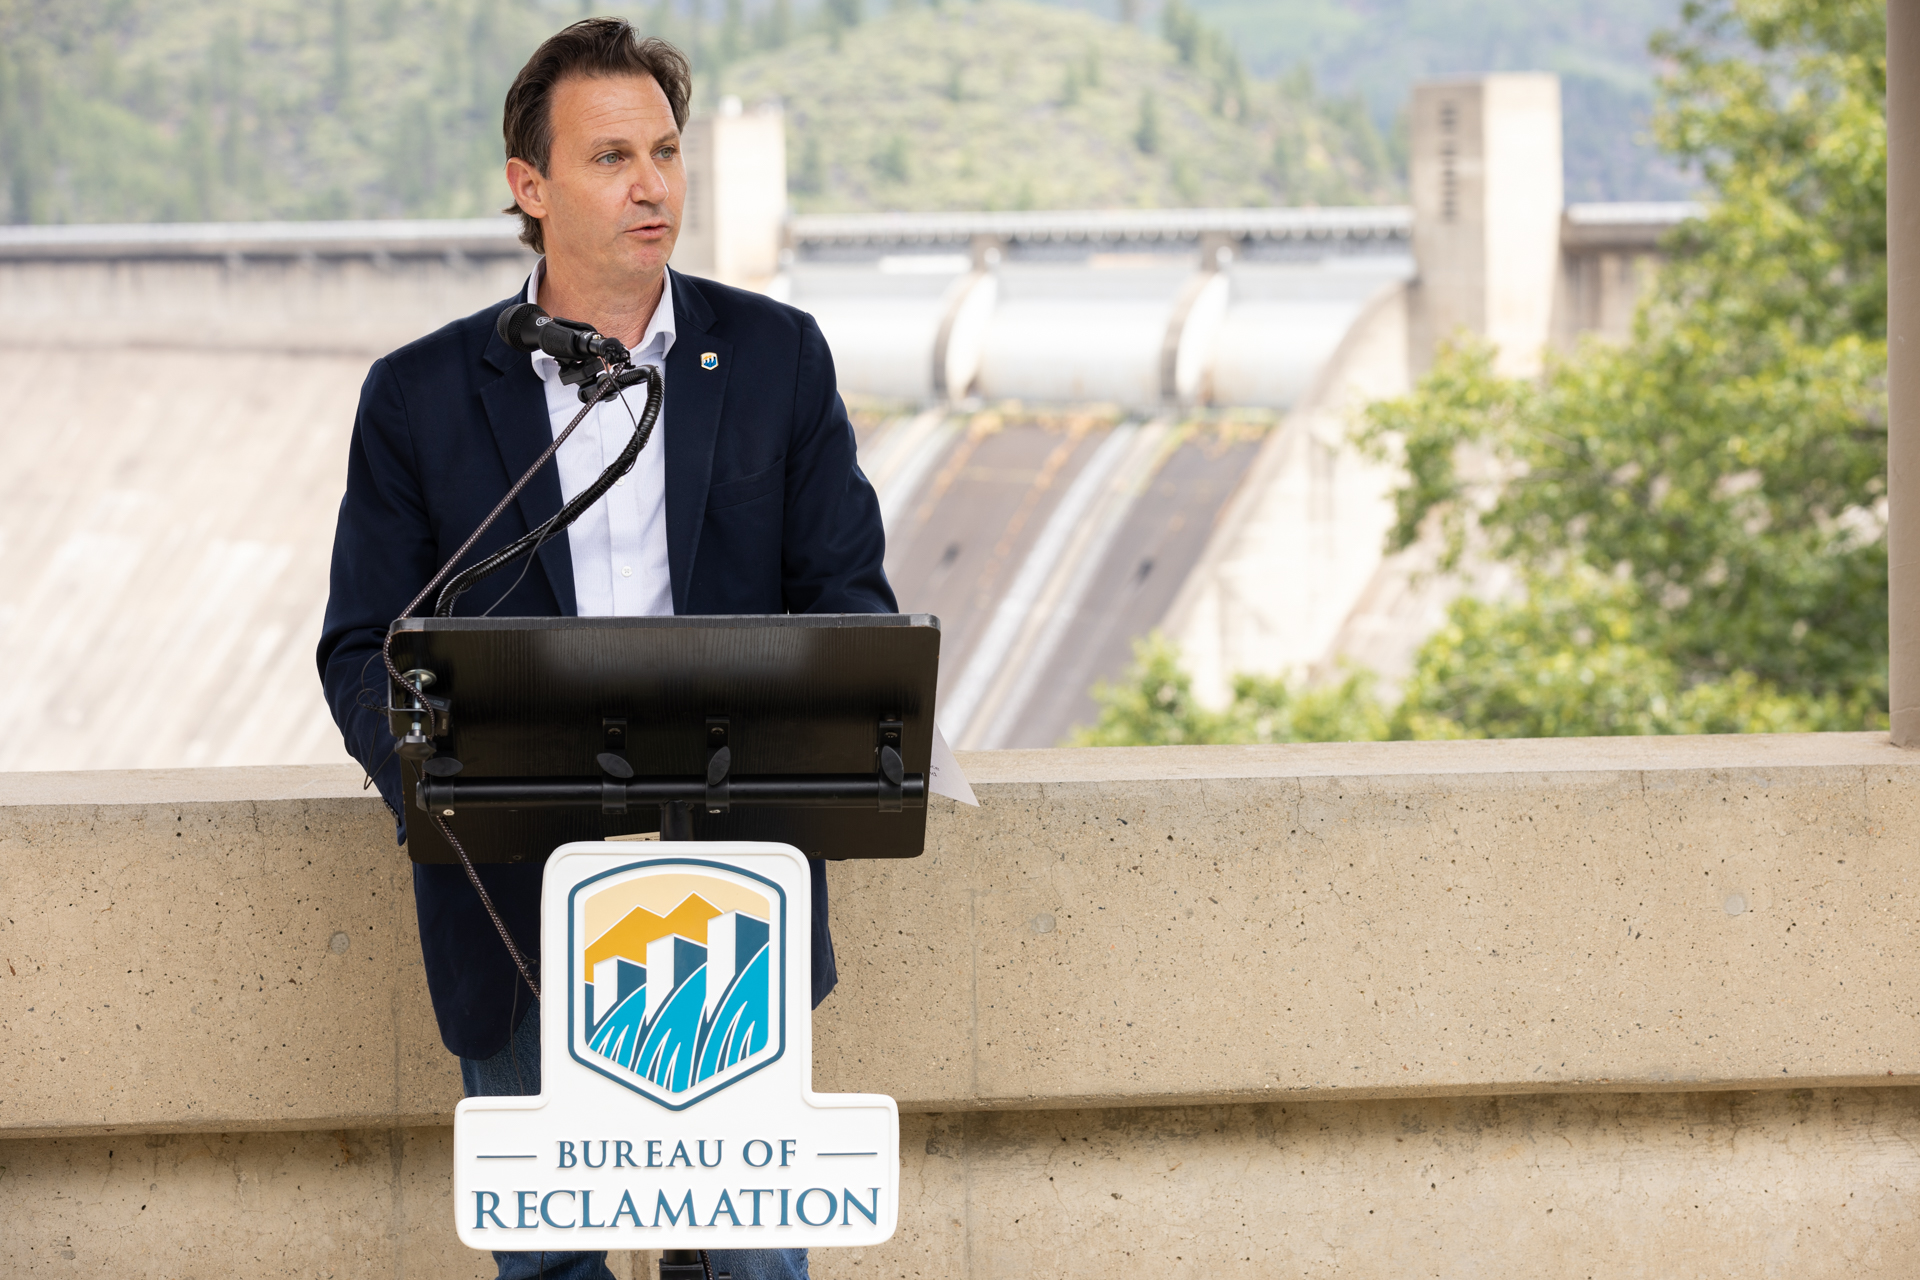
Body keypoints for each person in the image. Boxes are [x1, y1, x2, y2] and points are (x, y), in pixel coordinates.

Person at [315, 20, 893, 1280]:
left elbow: (850, 598)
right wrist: (434, 779)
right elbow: (362, 642)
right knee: (555, 1267)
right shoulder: (418, 397)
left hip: (727, 898)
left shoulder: (778, 358)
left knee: (747, 1264)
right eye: (613, 156)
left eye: (669, 152)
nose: (654, 185)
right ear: (530, 187)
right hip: (512, 893)